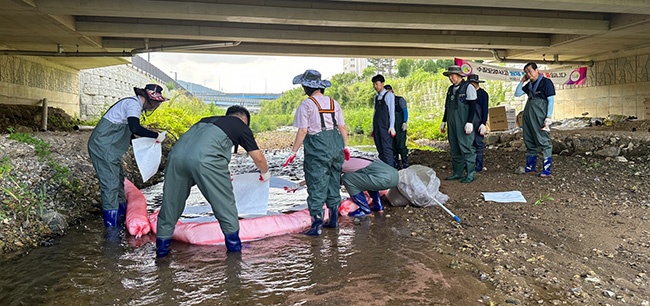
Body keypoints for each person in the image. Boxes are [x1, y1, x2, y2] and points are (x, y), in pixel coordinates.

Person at [155, 106, 270, 257]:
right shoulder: (240, 125)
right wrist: (265, 174)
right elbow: (259, 158)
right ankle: (235, 253)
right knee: (225, 205)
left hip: (176, 157)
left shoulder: (206, 121)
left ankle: (161, 253)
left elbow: (200, 148)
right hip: (205, 160)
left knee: (170, 204)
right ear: (243, 119)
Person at [88, 84, 167, 236]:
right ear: (148, 98)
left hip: (110, 149)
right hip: (103, 146)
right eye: (156, 102)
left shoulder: (134, 104)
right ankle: (111, 231)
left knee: (118, 182)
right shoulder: (133, 104)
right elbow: (135, 128)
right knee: (110, 184)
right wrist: (155, 136)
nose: (155, 106)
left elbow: (129, 132)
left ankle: (121, 218)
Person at [283, 69, 348, 236]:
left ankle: (316, 226)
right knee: (334, 182)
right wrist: (345, 146)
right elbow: (342, 127)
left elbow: (303, 130)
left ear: (306, 87)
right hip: (336, 146)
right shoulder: (334, 103)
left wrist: (293, 152)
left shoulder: (307, 104)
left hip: (318, 148)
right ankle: (333, 222)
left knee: (316, 184)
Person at [286, 157, 399, 217]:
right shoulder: (352, 159)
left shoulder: (339, 163)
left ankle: (364, 210)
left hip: (383, 179)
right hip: (394, 176)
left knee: (348, 178)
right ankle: (378, 206)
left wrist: (297, 185)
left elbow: (319, 177)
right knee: (364, 179)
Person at [515, 62, 556, 177]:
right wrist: (522, 81)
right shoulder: (529, 85)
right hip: (528, 117)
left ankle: (547, 169)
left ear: (536, 70)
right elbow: (517, 94)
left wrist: (548, 117)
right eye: (526, 73)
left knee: (543, 140)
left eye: (530, 71)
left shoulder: (546, 82)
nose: (529, 74)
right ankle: (530, 167)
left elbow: (551, 100)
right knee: (529, 140)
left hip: (540, 115)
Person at [439, 66, 477, 183]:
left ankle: (470, 173)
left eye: (453, 75)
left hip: (463, 123)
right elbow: (447, 107)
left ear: (460, 75)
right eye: (449, 76)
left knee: (466, 147)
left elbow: (473, 106)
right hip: (452, 123)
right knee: (454, 147)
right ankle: (458, 172)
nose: (451, 78)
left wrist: (470, 122)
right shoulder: (450, 89)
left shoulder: (468, 87)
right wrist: (444, 121)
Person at [370, 74, 396, 167]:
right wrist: (373, 128)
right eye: (374, 84)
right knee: (380, 149)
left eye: (376, 84)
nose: (375, 86)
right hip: (377, 127)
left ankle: (391, 171)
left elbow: (391, 111)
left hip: (385, 127)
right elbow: (375, 112)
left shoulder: (389, 95)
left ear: (382, 83)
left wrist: (392, 126)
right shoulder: (376, 97)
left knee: (387, 149)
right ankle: (384, 171)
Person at [466, 74, 489, 172]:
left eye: (472, 83)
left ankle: (478, 166)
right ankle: (468, 165)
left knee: (478, 143)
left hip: (478, 121)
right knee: (468, 143)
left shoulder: (483, 94)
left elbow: (484, 109)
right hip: (468, 121)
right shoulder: (467, 93)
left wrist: (483, 123)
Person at [385, 84, 409, 170]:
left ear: (392, 91)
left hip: (400, 126)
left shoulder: (400, 100)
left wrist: (404, 122)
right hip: (390, 127)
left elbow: (405, 111)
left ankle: (405, 163)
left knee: (401, 145)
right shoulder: (385, 102)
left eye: (389, 92)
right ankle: (396, 164)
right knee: (392, 146)